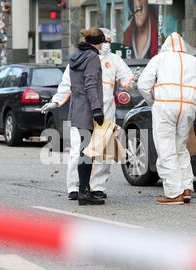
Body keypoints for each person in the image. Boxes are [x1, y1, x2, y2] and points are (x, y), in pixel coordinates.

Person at [42, 28, 137, 201]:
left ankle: (96, 186)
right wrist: (56, 101)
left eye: (109, 41)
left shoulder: (114, 60)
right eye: (104, 40)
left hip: (104, 113)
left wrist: (133, 79)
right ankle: (75, 186)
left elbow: (126, 79)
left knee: (101, 153)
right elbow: (68, 85)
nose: (106, 44)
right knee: (80, 151)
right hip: (92, 111)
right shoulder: (86, 59)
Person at [137, 32, 196, 205]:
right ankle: (186, 187)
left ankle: (174, 192)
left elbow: (143, 84)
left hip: (166, 106)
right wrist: (191, 105)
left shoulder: (159, 59)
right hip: (188, 107)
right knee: (181, 147)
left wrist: (154, 101)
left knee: (166, 148)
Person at [58, 28, 106, 206]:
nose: (102, 45)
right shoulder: (92, 57)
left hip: (77, 108)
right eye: (101, 42)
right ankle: (85, 192)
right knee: (87, 151)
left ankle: (82, 189)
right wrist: (97, 109)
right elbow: (90, 84)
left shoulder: (75, 56)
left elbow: (76, 85)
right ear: (98, 41)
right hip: (88, 109)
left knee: (84, 150)